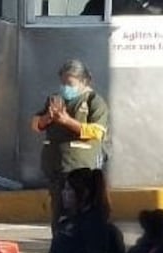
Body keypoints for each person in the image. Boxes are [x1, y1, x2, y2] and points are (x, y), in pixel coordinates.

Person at [30, 60, 110, 229]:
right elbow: (35, 124)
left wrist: (67, 121)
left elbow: (96, 132)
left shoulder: (93, 101)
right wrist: (48, 118)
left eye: (70, 83)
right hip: (56, 167)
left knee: (79, 210)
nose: (66, 87)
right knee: (59, 211)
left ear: (84, 82)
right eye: (63, 83)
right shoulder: (55, 100)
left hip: (80, 169)